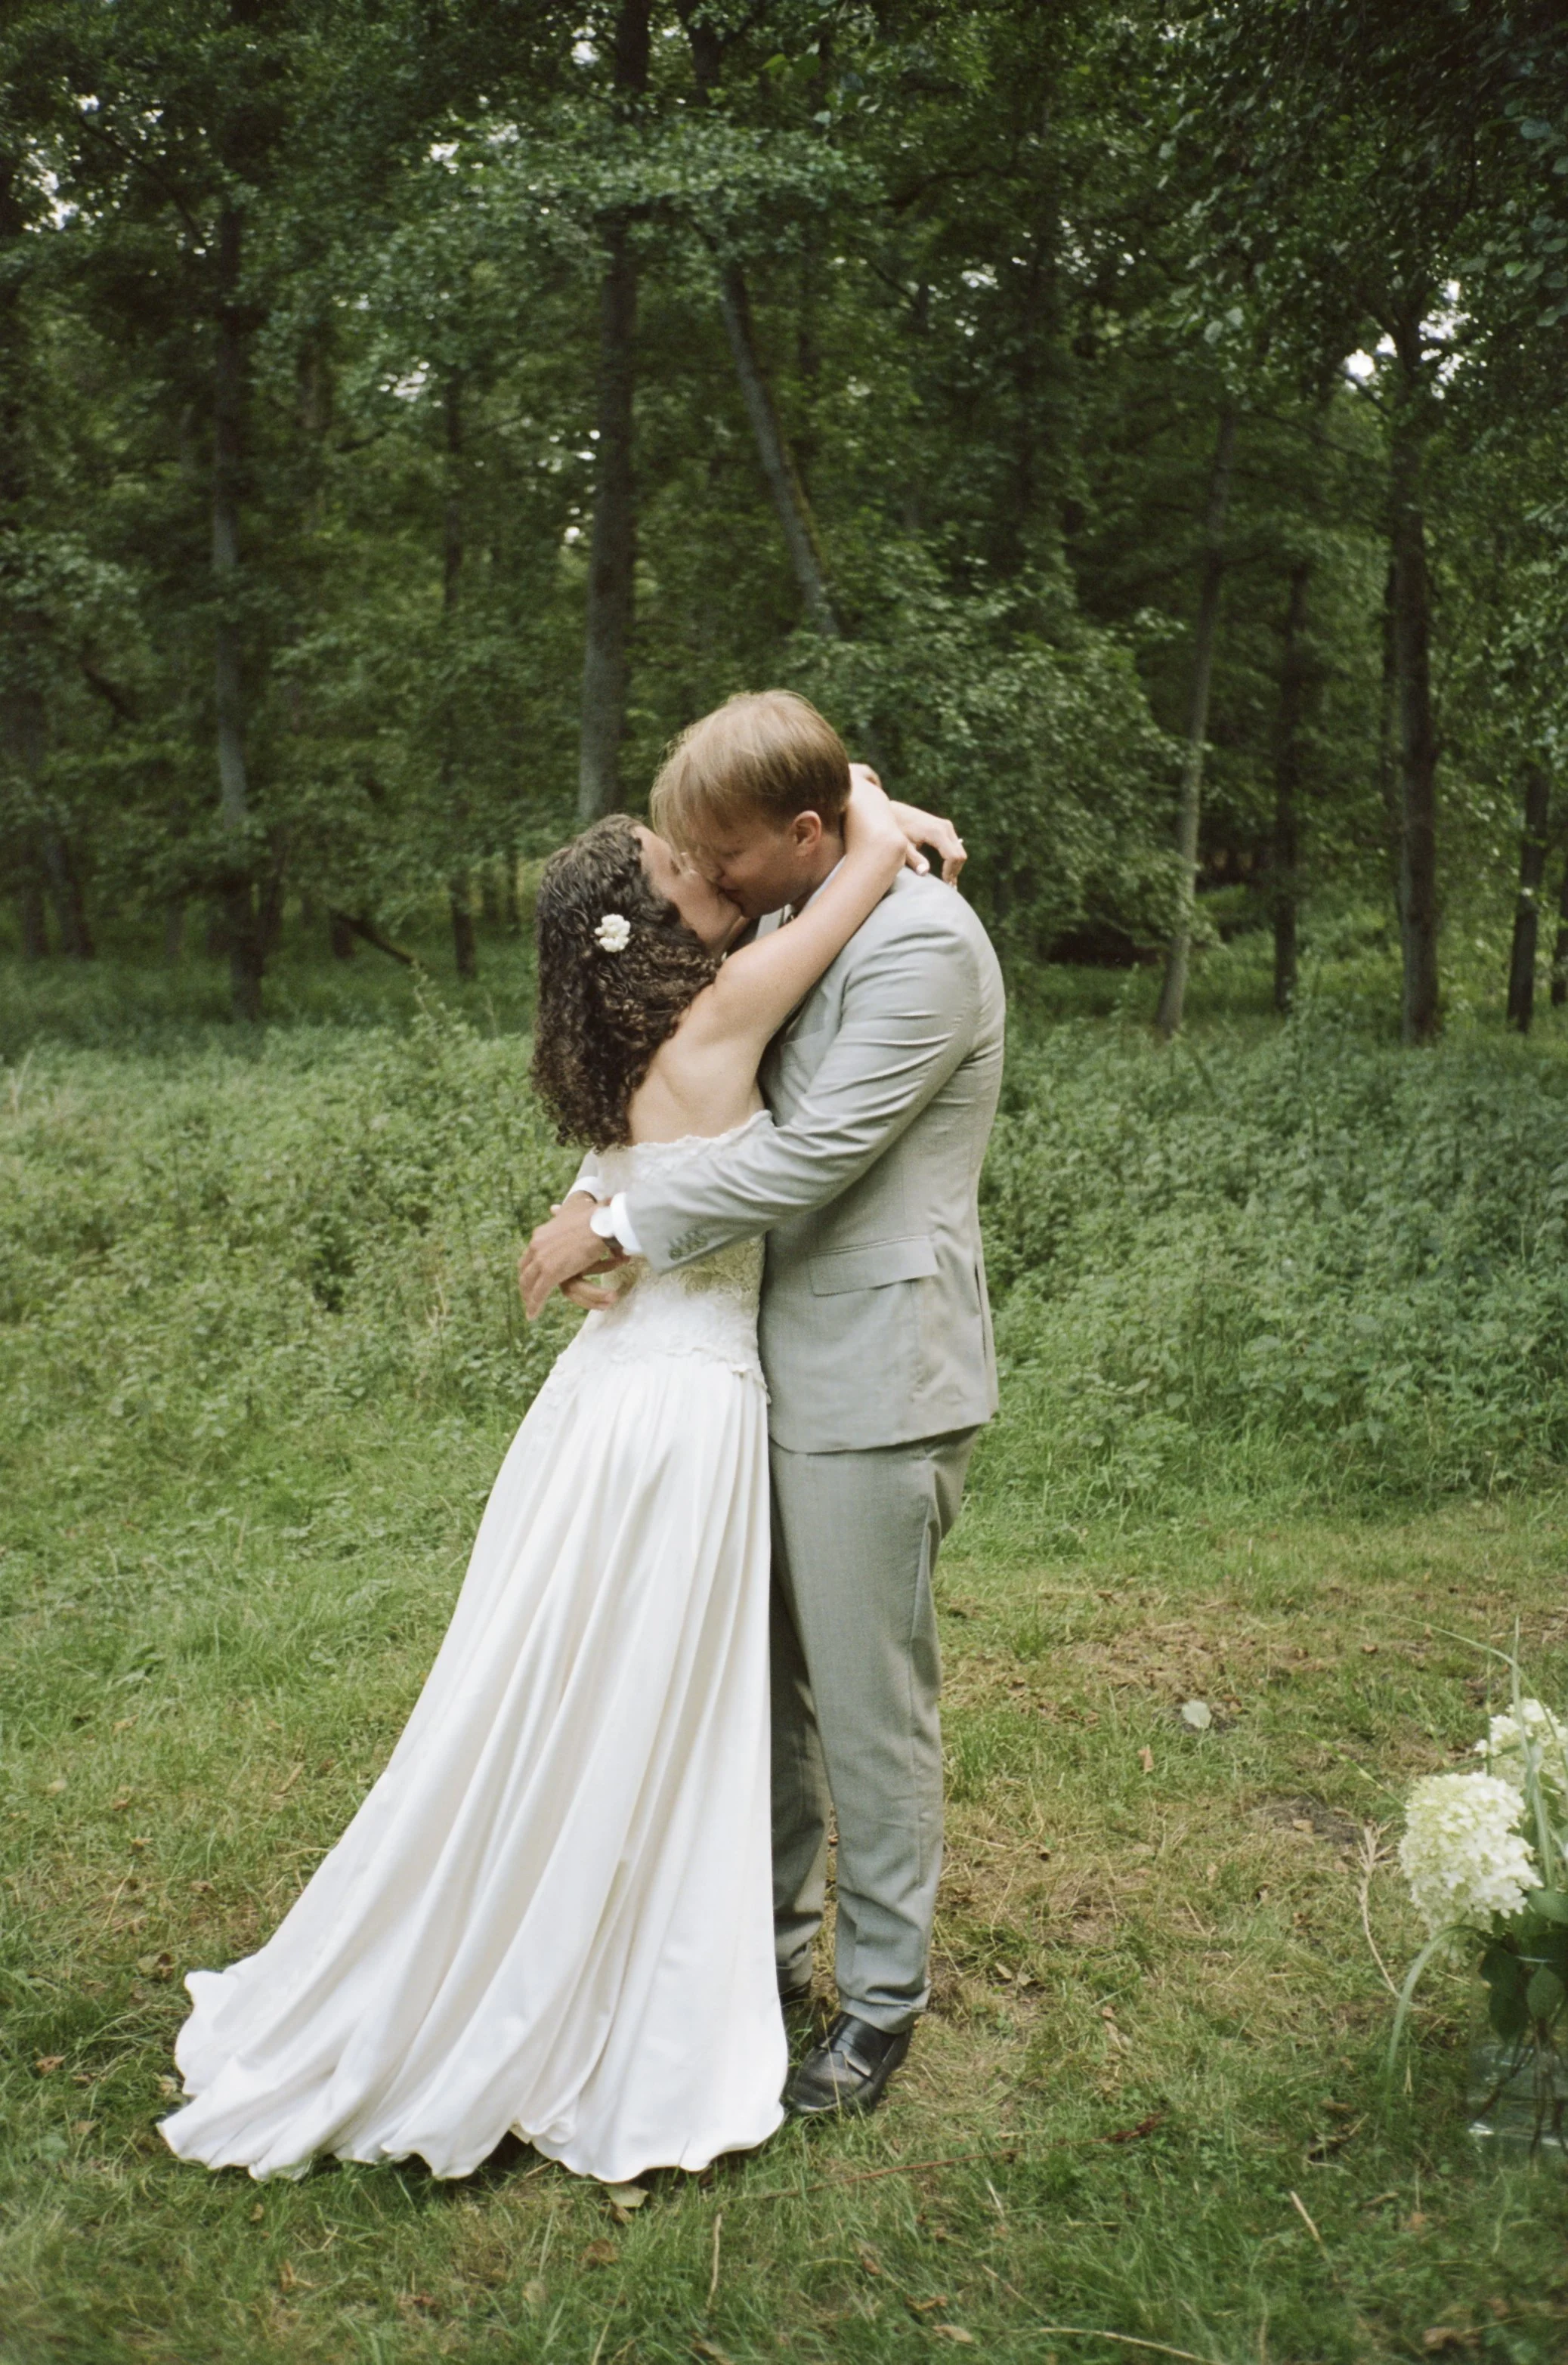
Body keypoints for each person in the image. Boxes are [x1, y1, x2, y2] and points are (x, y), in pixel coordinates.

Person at [158, 728, 925, 2187]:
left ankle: (598, 1929)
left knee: (573, 1680)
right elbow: (859, 863)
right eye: (676, 865)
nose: (702, 863)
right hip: (682, 1410)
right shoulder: (722, 1021)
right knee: (648, 1689)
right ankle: (619, 1968)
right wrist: (884, 807)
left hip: (604, 1403)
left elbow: (634, 1174)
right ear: (642, 929)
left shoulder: (629, 1042)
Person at [521, 689, 1005, 2121]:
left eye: (722, 857)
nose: (706, 885)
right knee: (761, 1690)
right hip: (752, 1372)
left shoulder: (923, 944)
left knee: (866, 1703)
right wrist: (877, 808)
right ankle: (774, 1951)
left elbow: (809, 1158)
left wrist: (615, 1219)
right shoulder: (815, 920)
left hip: (873, 1373)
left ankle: (878, 2002)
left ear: (801, 836)